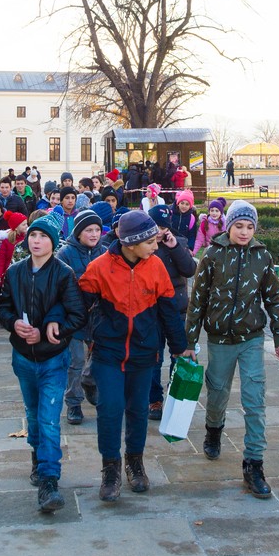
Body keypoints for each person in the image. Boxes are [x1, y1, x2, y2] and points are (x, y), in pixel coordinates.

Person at [79, 210, 192, 502]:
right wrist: (81, 335)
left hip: (144, 353)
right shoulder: (99, 267)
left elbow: (169, 312)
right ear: (131, 243)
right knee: (110, 409)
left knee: (139, 411)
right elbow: (79, 307)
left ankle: (134, 462)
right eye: (151, 242)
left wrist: (181, 346)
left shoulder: (156, 267)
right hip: (108, 354)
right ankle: (111, 469)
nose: (156, 247)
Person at [186, 200, 279, 499]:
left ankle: (254, 464)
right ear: (229, 226)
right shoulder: (213, 255)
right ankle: (213, 428)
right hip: (219, 339)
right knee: (217, 392)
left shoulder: (262, 256)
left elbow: (274, 297)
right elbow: (198, 301)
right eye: (239, 226)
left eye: (250, 227)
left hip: (251, 338)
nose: (244, 232)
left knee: (254, 398)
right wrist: (189, 342)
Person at [0, 211, 87, 513]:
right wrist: (12, 324)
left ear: (53, 241)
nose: (36, 241)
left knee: (49, 418)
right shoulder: (15, 271)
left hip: (52, 359)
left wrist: (51, 331)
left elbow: (77, 314)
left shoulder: (63, 273)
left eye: (43, 236)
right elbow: (3, 308)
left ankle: (49, 480)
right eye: (33, 235)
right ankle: (37, 455)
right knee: (33, 417)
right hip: (23, 358)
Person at [143, 204, 197, 420]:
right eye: (156, 225)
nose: (159, 231)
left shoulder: (179, 242)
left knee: (179, 356)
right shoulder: (143, 246)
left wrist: (175, 247)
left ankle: (176, 398)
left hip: (177, 310)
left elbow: (189, 270)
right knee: (153, 358)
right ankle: (154, 400)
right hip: (152, 311)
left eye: (164, 226)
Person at [56, 209, 105, 423]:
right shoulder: (65, 254)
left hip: (99, 316)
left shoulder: (105, 252)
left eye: (97, 230)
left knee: (100, 357)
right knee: (75, 360)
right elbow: (58, 286)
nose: (94, 234)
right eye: (88, 230)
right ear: (78, 232)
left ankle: (90, 381)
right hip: (74, 316)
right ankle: (73, 403)